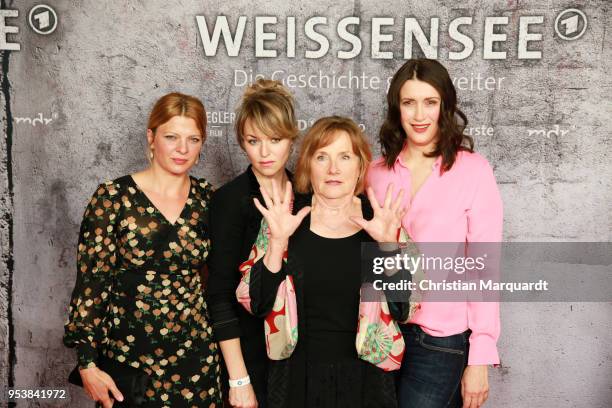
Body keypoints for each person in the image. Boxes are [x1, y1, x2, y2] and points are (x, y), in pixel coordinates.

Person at [63, 92, 221, 407]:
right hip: (129, 365)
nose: (182, 148)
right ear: (151, 137)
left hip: (196, 362)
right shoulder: (113, 198)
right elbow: (91, 285)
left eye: (193, 139)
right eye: (172, 137)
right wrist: (87, 363)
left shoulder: (209, 200)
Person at [243, 116, 409, 408]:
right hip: (295, 379)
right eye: (322, 157)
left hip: (367, 380)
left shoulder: (380, 221)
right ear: (308, 164)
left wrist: (388, 248)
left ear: (360, 166)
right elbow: (255, 303)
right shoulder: (287, 219)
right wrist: (277, 242)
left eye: (345, 157)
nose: (334, 169)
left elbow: (405, 306)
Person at [367, 59, 503, 408]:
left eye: (429, 102)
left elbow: (484, 267)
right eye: (409, 102)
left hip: (441, 340)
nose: (419, 114)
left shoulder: (472, 171)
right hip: (379, 332)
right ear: (396, 108)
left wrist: (480, 356)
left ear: (445, 106)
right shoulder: (374, 172)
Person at [207, 79, 298, 408]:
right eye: (253, 140)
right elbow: (219, 295)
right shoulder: (230, 200)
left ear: (291, 137)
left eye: (275, 139)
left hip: (301, 359)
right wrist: (238, 379)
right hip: (250, 357)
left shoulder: (307, 196)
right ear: (242, 143)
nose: (265, 152)